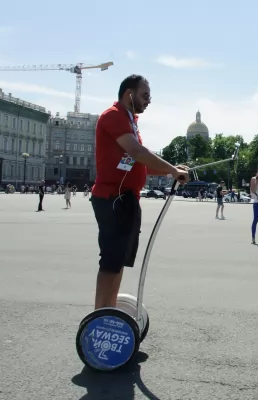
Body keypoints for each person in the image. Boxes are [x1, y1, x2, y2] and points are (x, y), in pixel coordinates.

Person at [90, 74, 189, 310]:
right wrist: (172, 169)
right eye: (145, 95)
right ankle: (100, 314)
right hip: (112, 198)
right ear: (129, 94)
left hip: (125, 200)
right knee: (111, 262)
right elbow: (137, 152)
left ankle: (109, 309)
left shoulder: (130, 121)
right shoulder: (113, 116)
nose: (149, 101)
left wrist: (172, 172)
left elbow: (141, 164)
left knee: (119, 261)